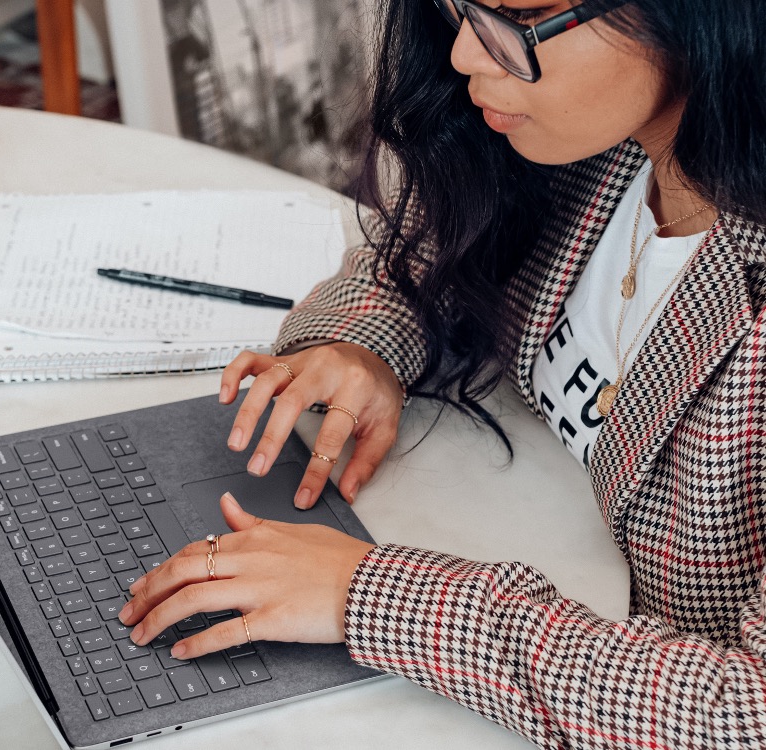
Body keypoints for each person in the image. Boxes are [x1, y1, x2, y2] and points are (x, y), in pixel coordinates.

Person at [119, 0, 766, 745]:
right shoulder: (610, 141)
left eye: (514, 18)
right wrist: (361, 350)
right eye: (459, 7)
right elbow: (430, 254)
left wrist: (367, 594)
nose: (463, 55)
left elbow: (743, 713)